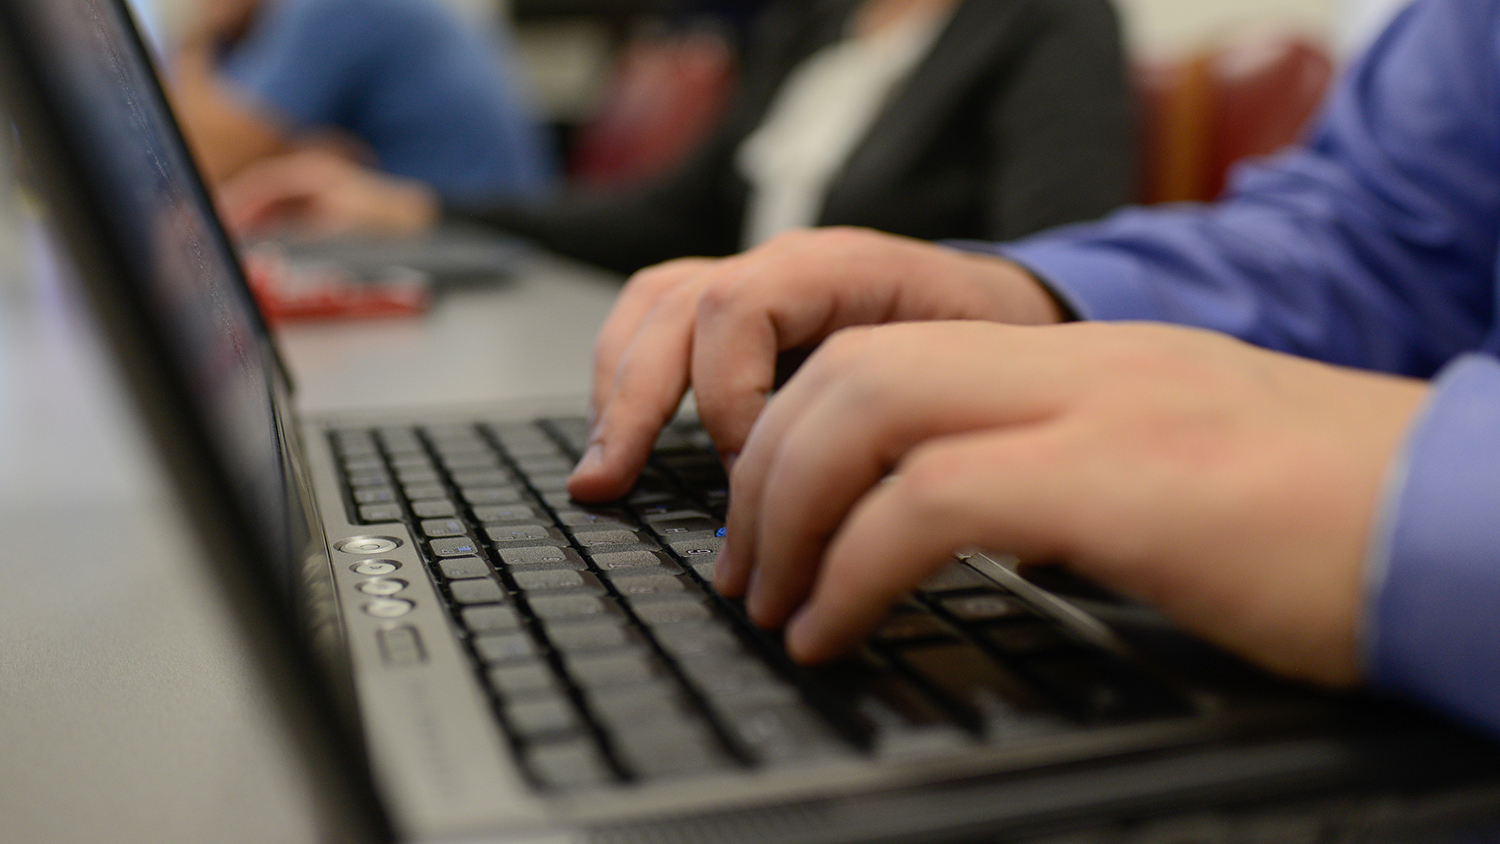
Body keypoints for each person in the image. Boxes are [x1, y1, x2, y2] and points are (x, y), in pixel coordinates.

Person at [563, 0, 1500, 740]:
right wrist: (1028, 298)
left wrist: (1419, 501)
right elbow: (1375, 241)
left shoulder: (1044, 18)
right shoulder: (813, 22)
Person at [218, 0, 1135, 272]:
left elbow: (1052, 270)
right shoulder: (823, 26)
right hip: (753, 399)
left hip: (890, 430)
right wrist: (420, 205)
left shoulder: (1050, 22)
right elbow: (669, 217)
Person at [169, 0, 556, 205]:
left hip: (469, 234)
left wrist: (197, 30)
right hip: (454, 224)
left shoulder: (332, 7)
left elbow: (206, 158)